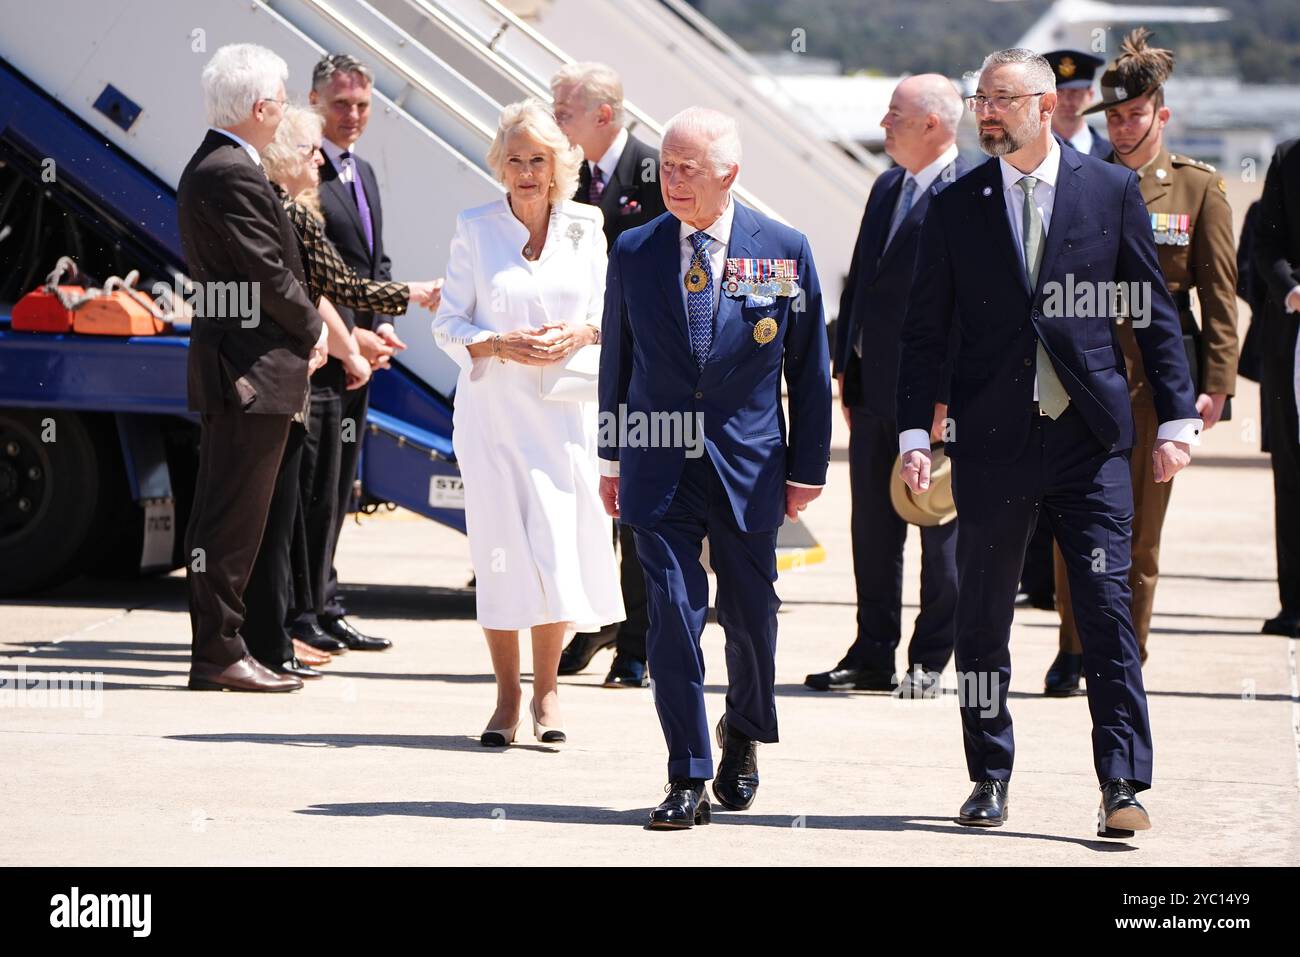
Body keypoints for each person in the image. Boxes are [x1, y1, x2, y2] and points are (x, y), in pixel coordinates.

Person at [897, 49, 1200, 835]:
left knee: (1105, 609)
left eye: (1000, 100)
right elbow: (924, 330)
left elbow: (1150, 310)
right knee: (982, 619)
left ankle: (1123, 785)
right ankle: (988, 773)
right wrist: (912, 430)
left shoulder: (1110, 189)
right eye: (979, 101)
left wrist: (1175, 418)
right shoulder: (957, 205)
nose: (986, 114)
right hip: (994, 441)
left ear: (1040, 104)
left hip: (1090, 439)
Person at [599, 106, 831, 829]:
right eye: (667, 166)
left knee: (752, 619)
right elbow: (617, 361)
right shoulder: (635, 250)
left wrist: (809, 467)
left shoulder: (783, 250)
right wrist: (610, 452)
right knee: (670, 614)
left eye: (688, 169)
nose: (672, 179)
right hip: (656, 460)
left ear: (729, 174)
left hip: (750, 464)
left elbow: (810, 370)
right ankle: (685, 771)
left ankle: (745, 734)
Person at [1044, 29, 1239, 694]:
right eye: (1115, 117)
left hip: (1155, 388)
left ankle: (1126, 654)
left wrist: (1214, 386)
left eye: (1136, 115)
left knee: (1140, 539)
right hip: (1083, 380)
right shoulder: (1078, 182)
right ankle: (1073, 649)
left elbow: (1219, 294)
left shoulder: (1197, 189)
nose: (1125, 128)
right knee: (1075, 523)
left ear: (1162, 114)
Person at [432, 99, 624, 747]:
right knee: (502, 555)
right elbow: (446, 323)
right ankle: (506, 697)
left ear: (558, 165)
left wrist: (582, 331)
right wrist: (496, 343)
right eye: (513, 159)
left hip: (565, 415)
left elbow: (608, 313)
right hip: (492, 419)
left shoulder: (585, 225)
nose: (525, 171)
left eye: (537, 159)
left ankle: (549, 694)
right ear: (499, 163)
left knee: (557, 552)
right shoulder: (473, 226)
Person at [247, 104, 442, 677]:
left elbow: (327, 288)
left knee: (299, 507)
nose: (319, 160)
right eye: (310, 151)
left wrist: (355, 338)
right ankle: (274, 632)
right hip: (285, 376)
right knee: (283, 511)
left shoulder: (288, 206)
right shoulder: (286, 209)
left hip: (302, 368)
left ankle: (285, 628)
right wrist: (415, 294)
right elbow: (340, 285)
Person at [807, 74, 967, 699]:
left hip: (933, 400)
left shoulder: (967, 193)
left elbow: (967, 311)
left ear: (933, 124)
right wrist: (846, 367)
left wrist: (944, 398)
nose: (883, 124)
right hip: (874, 392)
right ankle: (873, 651)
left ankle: (930, 658)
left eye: (894, 114)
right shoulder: (888, 185)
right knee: (872, 528)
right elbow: (861, 284)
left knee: (937, 525)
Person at [178, 43, 327, 692]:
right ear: (262, 107)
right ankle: (218, 653)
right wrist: (315, 325)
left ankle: (226, 648)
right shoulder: (229, 170)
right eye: (284, 98)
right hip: (248, 370)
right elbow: (267, 272)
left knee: (231, 519)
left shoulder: (224, 164)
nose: (287, 109)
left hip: (246, 369)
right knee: (230, 522)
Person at [551, 61, 667, 689]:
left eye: (562, 111)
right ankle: (597, 620)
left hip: (637, 366)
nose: (553, 122)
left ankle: (637, 642)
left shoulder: (653, 171)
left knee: (634, 508)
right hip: (573, 370)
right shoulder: (561, 175)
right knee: (581, 504)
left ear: (602, 115)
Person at [293, 53, 398, 655]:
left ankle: (326, 602)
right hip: (322, 356)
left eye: (361, 104)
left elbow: (373, 263)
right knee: (312, 488)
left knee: (338, 488)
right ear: (314, 104)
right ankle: (303, 609)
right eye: (340, 105)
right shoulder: (309, 177)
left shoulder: (361, 172)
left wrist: (378, 330)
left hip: (360, 356)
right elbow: (314, 273)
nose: (353, 115)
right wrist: (350, 336)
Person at [1254, 138, 1300, 638]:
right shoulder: (1290, 158)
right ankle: (1294, 603)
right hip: (1294, 335)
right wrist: (1289, 288)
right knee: (1291, 474)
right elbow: (1264, 244)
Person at [1042, 50, 1110, 158]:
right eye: (1059, 92)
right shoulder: (1027, 153)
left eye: (1075, 92)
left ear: (1091, 95)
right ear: (1046, 98)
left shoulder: (1112, 155)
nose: (1066, 101)